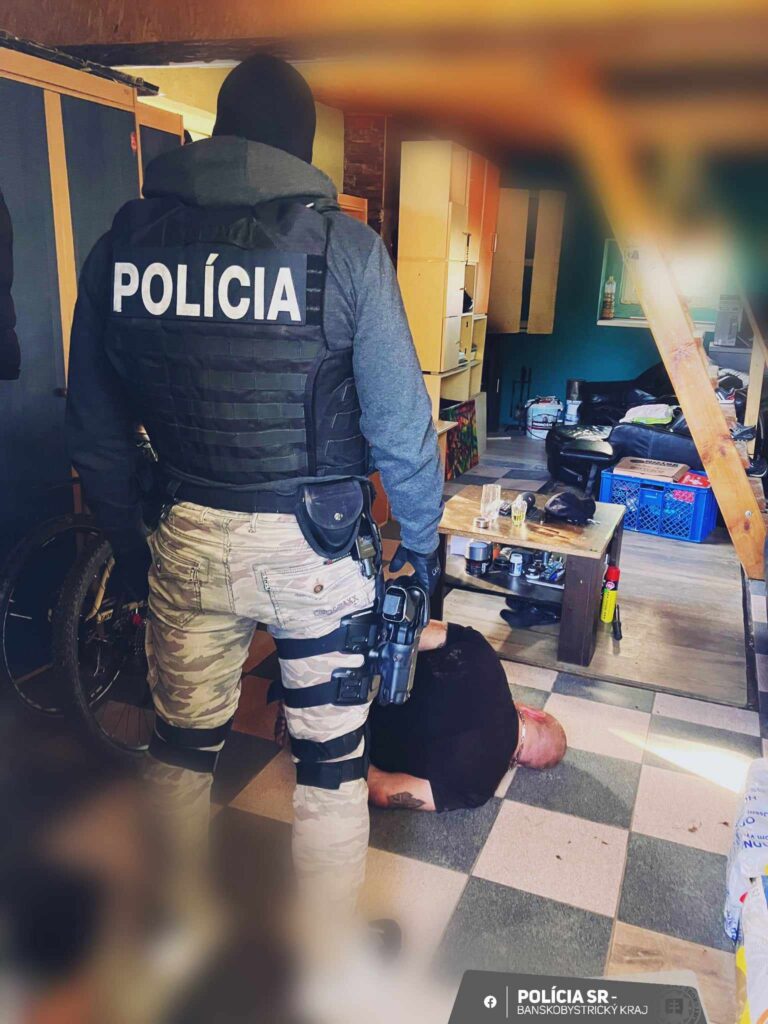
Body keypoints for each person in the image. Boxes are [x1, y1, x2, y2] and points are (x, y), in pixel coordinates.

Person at [65, 54, 444, 933]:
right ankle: (322, 954)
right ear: (300, 147)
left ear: (218, 132)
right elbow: (401, 428)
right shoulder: (346, 251)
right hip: (318, 549)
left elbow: (94, 431)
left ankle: (171, 937)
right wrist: (422, 548)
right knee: (331, 767)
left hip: (185, 535)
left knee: (179, 750)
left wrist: (128, 544)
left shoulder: (122, 247)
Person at [367, 620, 566, 812]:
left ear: (533, 713)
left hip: (360, 667)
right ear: (520, 763)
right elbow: (382, 792)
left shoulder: (484, 655)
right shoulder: (479, 790)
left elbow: (408, 630)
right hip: (354, 733)